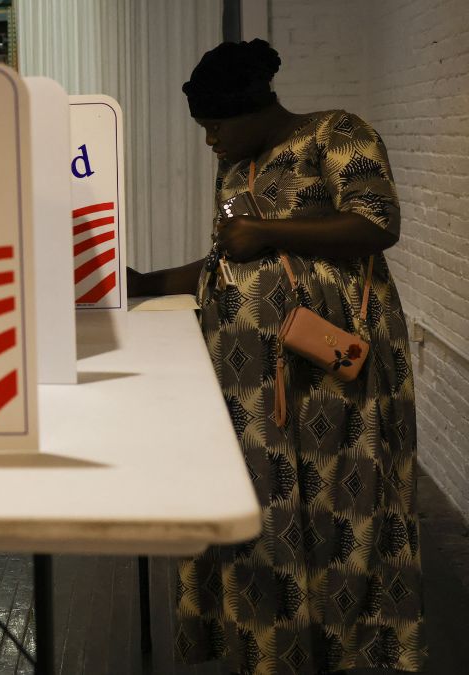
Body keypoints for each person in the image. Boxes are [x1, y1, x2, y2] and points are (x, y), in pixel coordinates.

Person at [129, 40, 424, 674]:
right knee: (261, 508)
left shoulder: (338, 134)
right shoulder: (239, 167)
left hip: (335, 374)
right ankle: (270, 649)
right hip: (249, 384)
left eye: (216, 126)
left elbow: (378, 222)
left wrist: (269, 230)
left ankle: (353, 652)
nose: (210, 141)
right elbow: (229, 260)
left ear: (256, 108)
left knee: (346, 502)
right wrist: (145, 282)